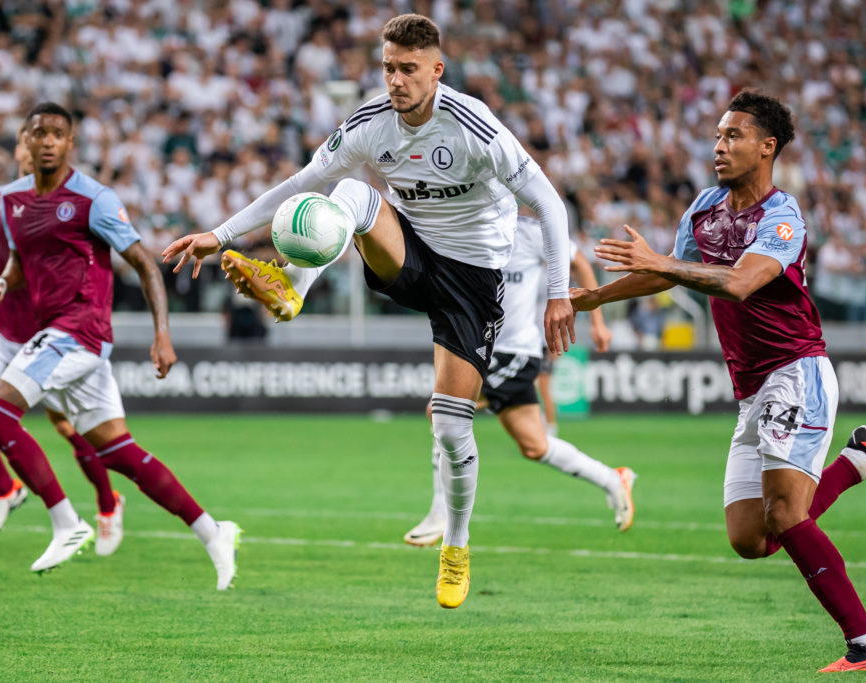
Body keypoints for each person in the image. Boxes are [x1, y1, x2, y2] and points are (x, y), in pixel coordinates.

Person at [163, 14, 575, 609]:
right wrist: (222, 235)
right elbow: (302, 180)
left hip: (473, 280)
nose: (396, 80)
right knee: (352, 193)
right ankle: (293, 287)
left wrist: (558, 292)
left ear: (436, 69)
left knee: (451, 424)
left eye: (409, 69)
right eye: (388, 67)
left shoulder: (474, 126)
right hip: (408, 254)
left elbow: (549, 203)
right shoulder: (369, 123)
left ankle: (455, 546)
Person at [572, 90, 866, 672]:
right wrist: (590, 298)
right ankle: (863, 459)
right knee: (751, 539)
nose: (719, 146)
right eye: (717, 135)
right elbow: (667, 275)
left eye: (733, 136)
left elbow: (738, 283)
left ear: (767, 147)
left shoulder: (783, 218)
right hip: (752, 388)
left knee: (786, 516)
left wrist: (662, 263)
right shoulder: (707, 207)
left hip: (797, 372)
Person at [0, 102, 240, 589]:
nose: (50, 140)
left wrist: (162, 333)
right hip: (61, 334)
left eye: (59, 133)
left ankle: (65, 521)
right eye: (41, 132)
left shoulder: (92, 198)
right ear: (27, 141)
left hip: (78, 330)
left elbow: (143, 263)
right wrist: (1, 283)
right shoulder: (15, 203)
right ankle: (214, 531)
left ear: (71, 143)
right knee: (119, 452)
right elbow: (20, 264)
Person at [0, 125, 125, 554]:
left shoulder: (67, 202)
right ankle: (5, 488)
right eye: (27, 140)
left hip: (50, 330)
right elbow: (6, 253)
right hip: (5, 323)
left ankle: (107, 501)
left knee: (69, 425)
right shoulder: (8, 198)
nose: (34, 147)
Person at [404, 213, 630, 548]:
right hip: (484, 348)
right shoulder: (468, 231)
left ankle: (441, 514)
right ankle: (613, 479)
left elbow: (581, 263)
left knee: (440, 410)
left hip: (515, 352)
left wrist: (596, 322)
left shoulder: (531, 233)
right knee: (535, 445)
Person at [535, 241, 612, 437]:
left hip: (547, 337)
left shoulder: (557, 277)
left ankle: (550, 430)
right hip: (534, 335)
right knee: (535, 384)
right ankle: (544, 428)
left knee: (543, 384)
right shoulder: (539, 271)